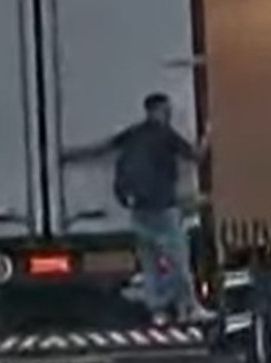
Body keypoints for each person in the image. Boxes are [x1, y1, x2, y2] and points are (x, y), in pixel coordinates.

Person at [62, 92, 215, 324]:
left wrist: (70, 155)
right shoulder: (166, 135)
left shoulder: (134, 133)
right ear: (159, 110)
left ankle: (157, 311)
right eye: (167, 110)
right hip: (163, 208)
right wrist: (208, 135)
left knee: (150, 264)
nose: (169, 114)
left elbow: (103, 147)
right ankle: (188, 307)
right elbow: (196, 156)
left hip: (139, 210)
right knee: (178, 261)